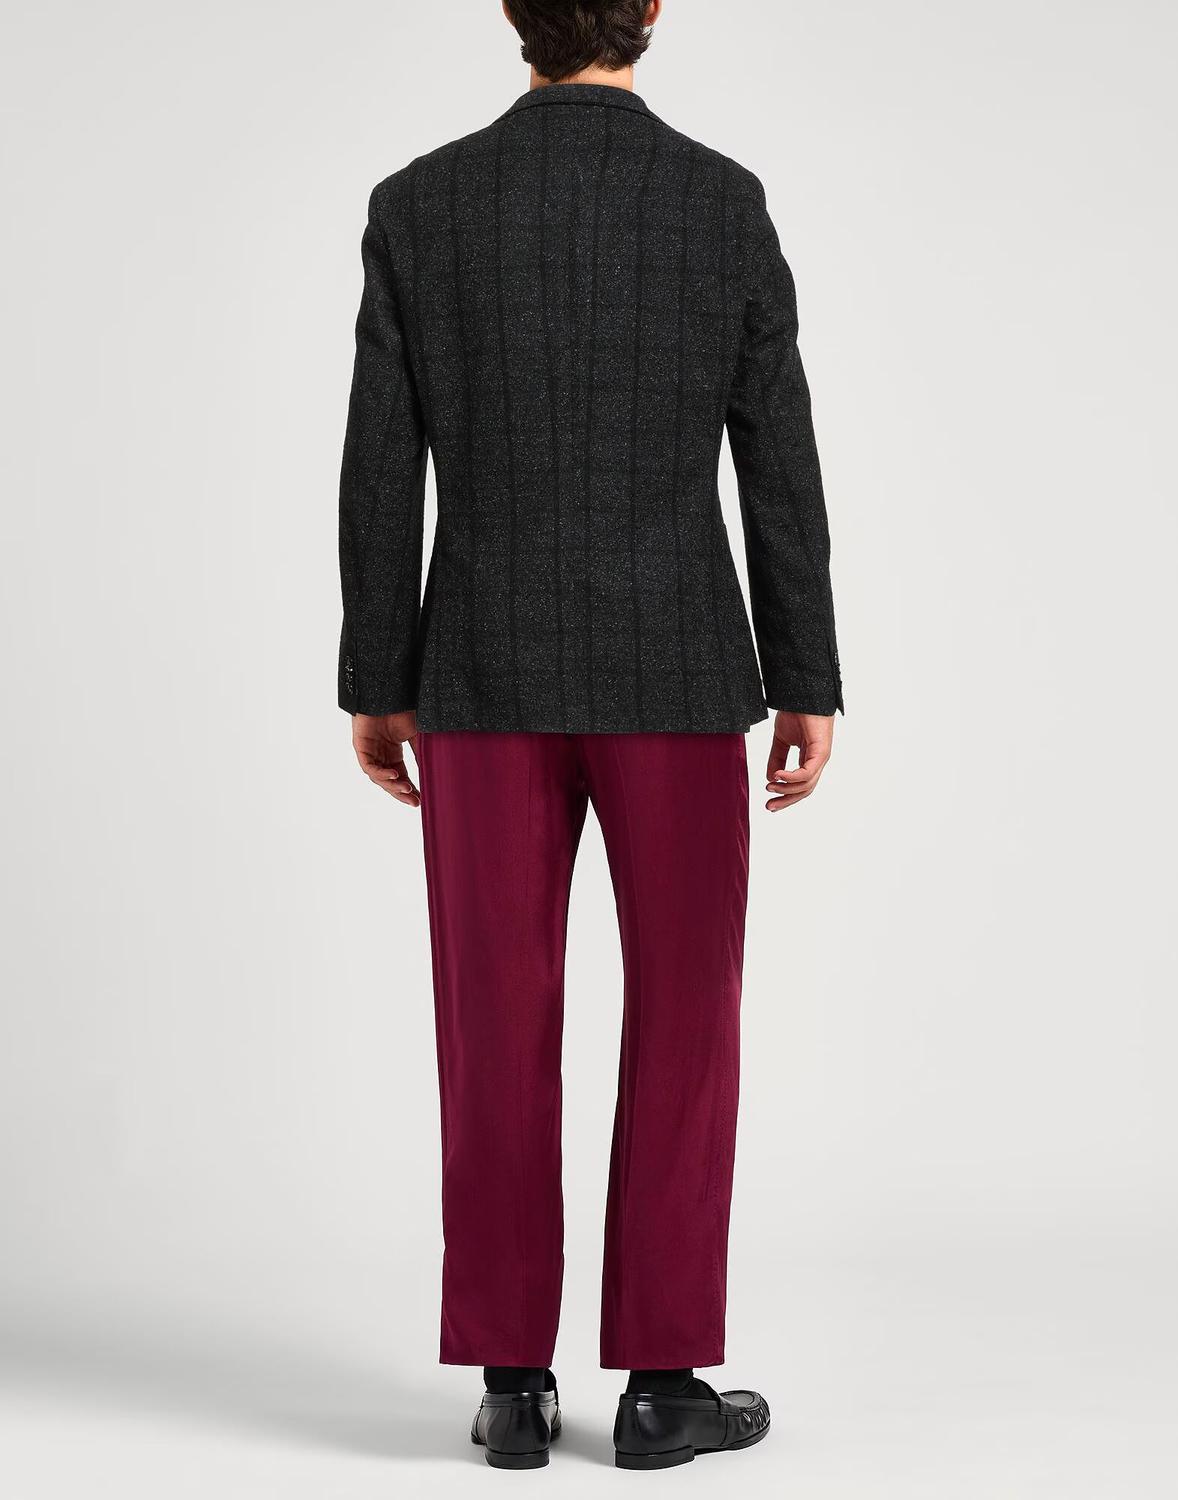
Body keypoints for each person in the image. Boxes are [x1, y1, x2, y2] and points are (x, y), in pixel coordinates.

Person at [337, 0, 842, 1472]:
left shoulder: (420, 205)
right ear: (651, 10)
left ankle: (512, 1384)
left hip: (480, 668)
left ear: (515, 15)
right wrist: (805, 673)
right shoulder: (718, 201)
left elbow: (380, 463)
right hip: (678, 669)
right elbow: (777, 454)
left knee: (492, 1018)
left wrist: (379, 674)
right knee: (686, 1019)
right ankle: (664, 1382)